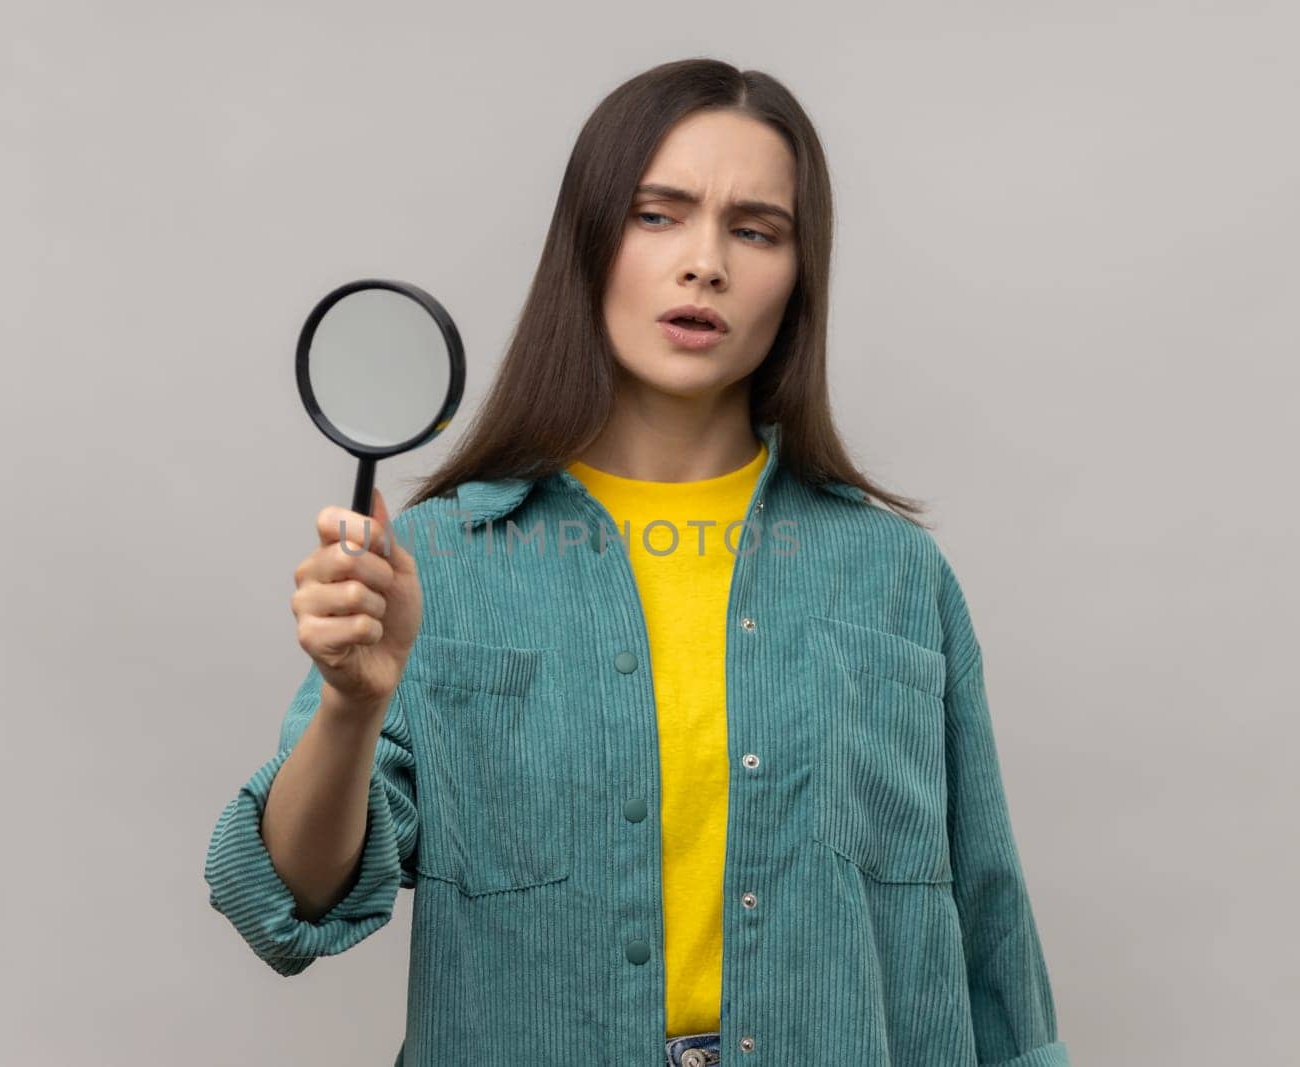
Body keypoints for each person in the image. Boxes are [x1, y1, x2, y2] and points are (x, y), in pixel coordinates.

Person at [205, 57, 1071, 1067]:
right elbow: (283, 903)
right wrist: (352, 702)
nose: (704, 262)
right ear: (589, 243)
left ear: (798, 277)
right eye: (658, 215)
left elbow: (986, 916)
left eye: (755, 229)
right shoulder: (442, 559)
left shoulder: (893, 575)